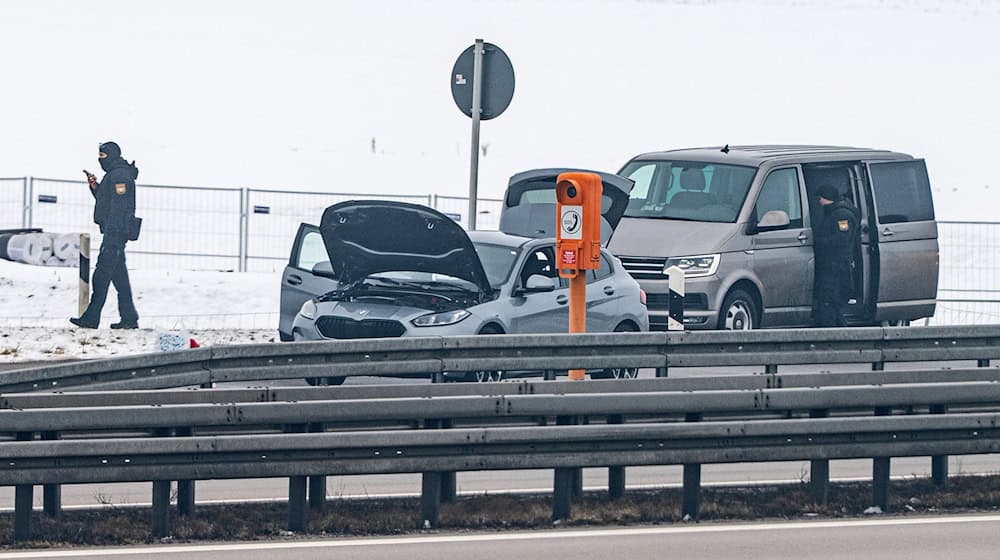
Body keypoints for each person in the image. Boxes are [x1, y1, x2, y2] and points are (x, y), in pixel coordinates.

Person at [70, 141, 140, 329]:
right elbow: (108, 201)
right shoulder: (114, 174)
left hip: (114, 235)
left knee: (101, 276)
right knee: (119, 278)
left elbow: (119, 207)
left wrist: (112, 235)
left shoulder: (120, 176)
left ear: (112, 155)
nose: (100, 160)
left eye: (102, 156)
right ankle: (129, 318)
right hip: (113, 233)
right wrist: (95, 188)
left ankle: (91, 318)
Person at [812, 184, 860, 327]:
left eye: (820, 198)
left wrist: (818, 242)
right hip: (831, 265)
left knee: (829, 300)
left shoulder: (841, 215)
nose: (819, 201)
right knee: (830, 303)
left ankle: (834, 334)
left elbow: (842, 240)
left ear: (827, 198)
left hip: (837, 266)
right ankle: (841, 334)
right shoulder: (833, 213)